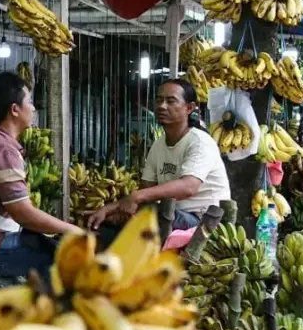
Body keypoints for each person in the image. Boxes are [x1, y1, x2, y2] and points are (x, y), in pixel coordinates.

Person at [0, 72, 80, 293]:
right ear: (14, 109)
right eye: (29, 101)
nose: (33, 108)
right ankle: (48, 317)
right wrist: (73, 230)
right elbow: (22, 213)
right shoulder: (2, 149)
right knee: (63, 261)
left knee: (48, 244)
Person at [87, 78, 230, 233]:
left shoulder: (200, 142)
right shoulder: (158, 145)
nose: (162, 106)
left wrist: (136, 197)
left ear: (189, 108)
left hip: (203, 220)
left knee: (154, 214)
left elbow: (189, 187)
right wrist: (110, 209)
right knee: (113, 226)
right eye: (159, 100)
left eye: (171, 101)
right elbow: (147, 189)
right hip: (174, 216)